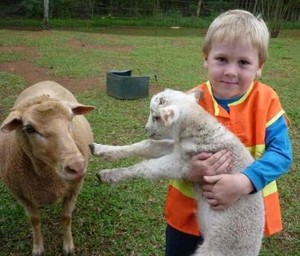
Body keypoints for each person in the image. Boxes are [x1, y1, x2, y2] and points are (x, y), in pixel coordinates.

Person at [165, 9, 293, 256]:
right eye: (222, 59)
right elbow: (167, 148)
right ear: (206, 58)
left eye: (243, 62)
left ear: (259, 67)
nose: (231, 71)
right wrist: (190, 169)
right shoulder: (187, 102)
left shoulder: (267, 100)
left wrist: (244, 182)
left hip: (241, 221)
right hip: (188, 217)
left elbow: (281, 153)